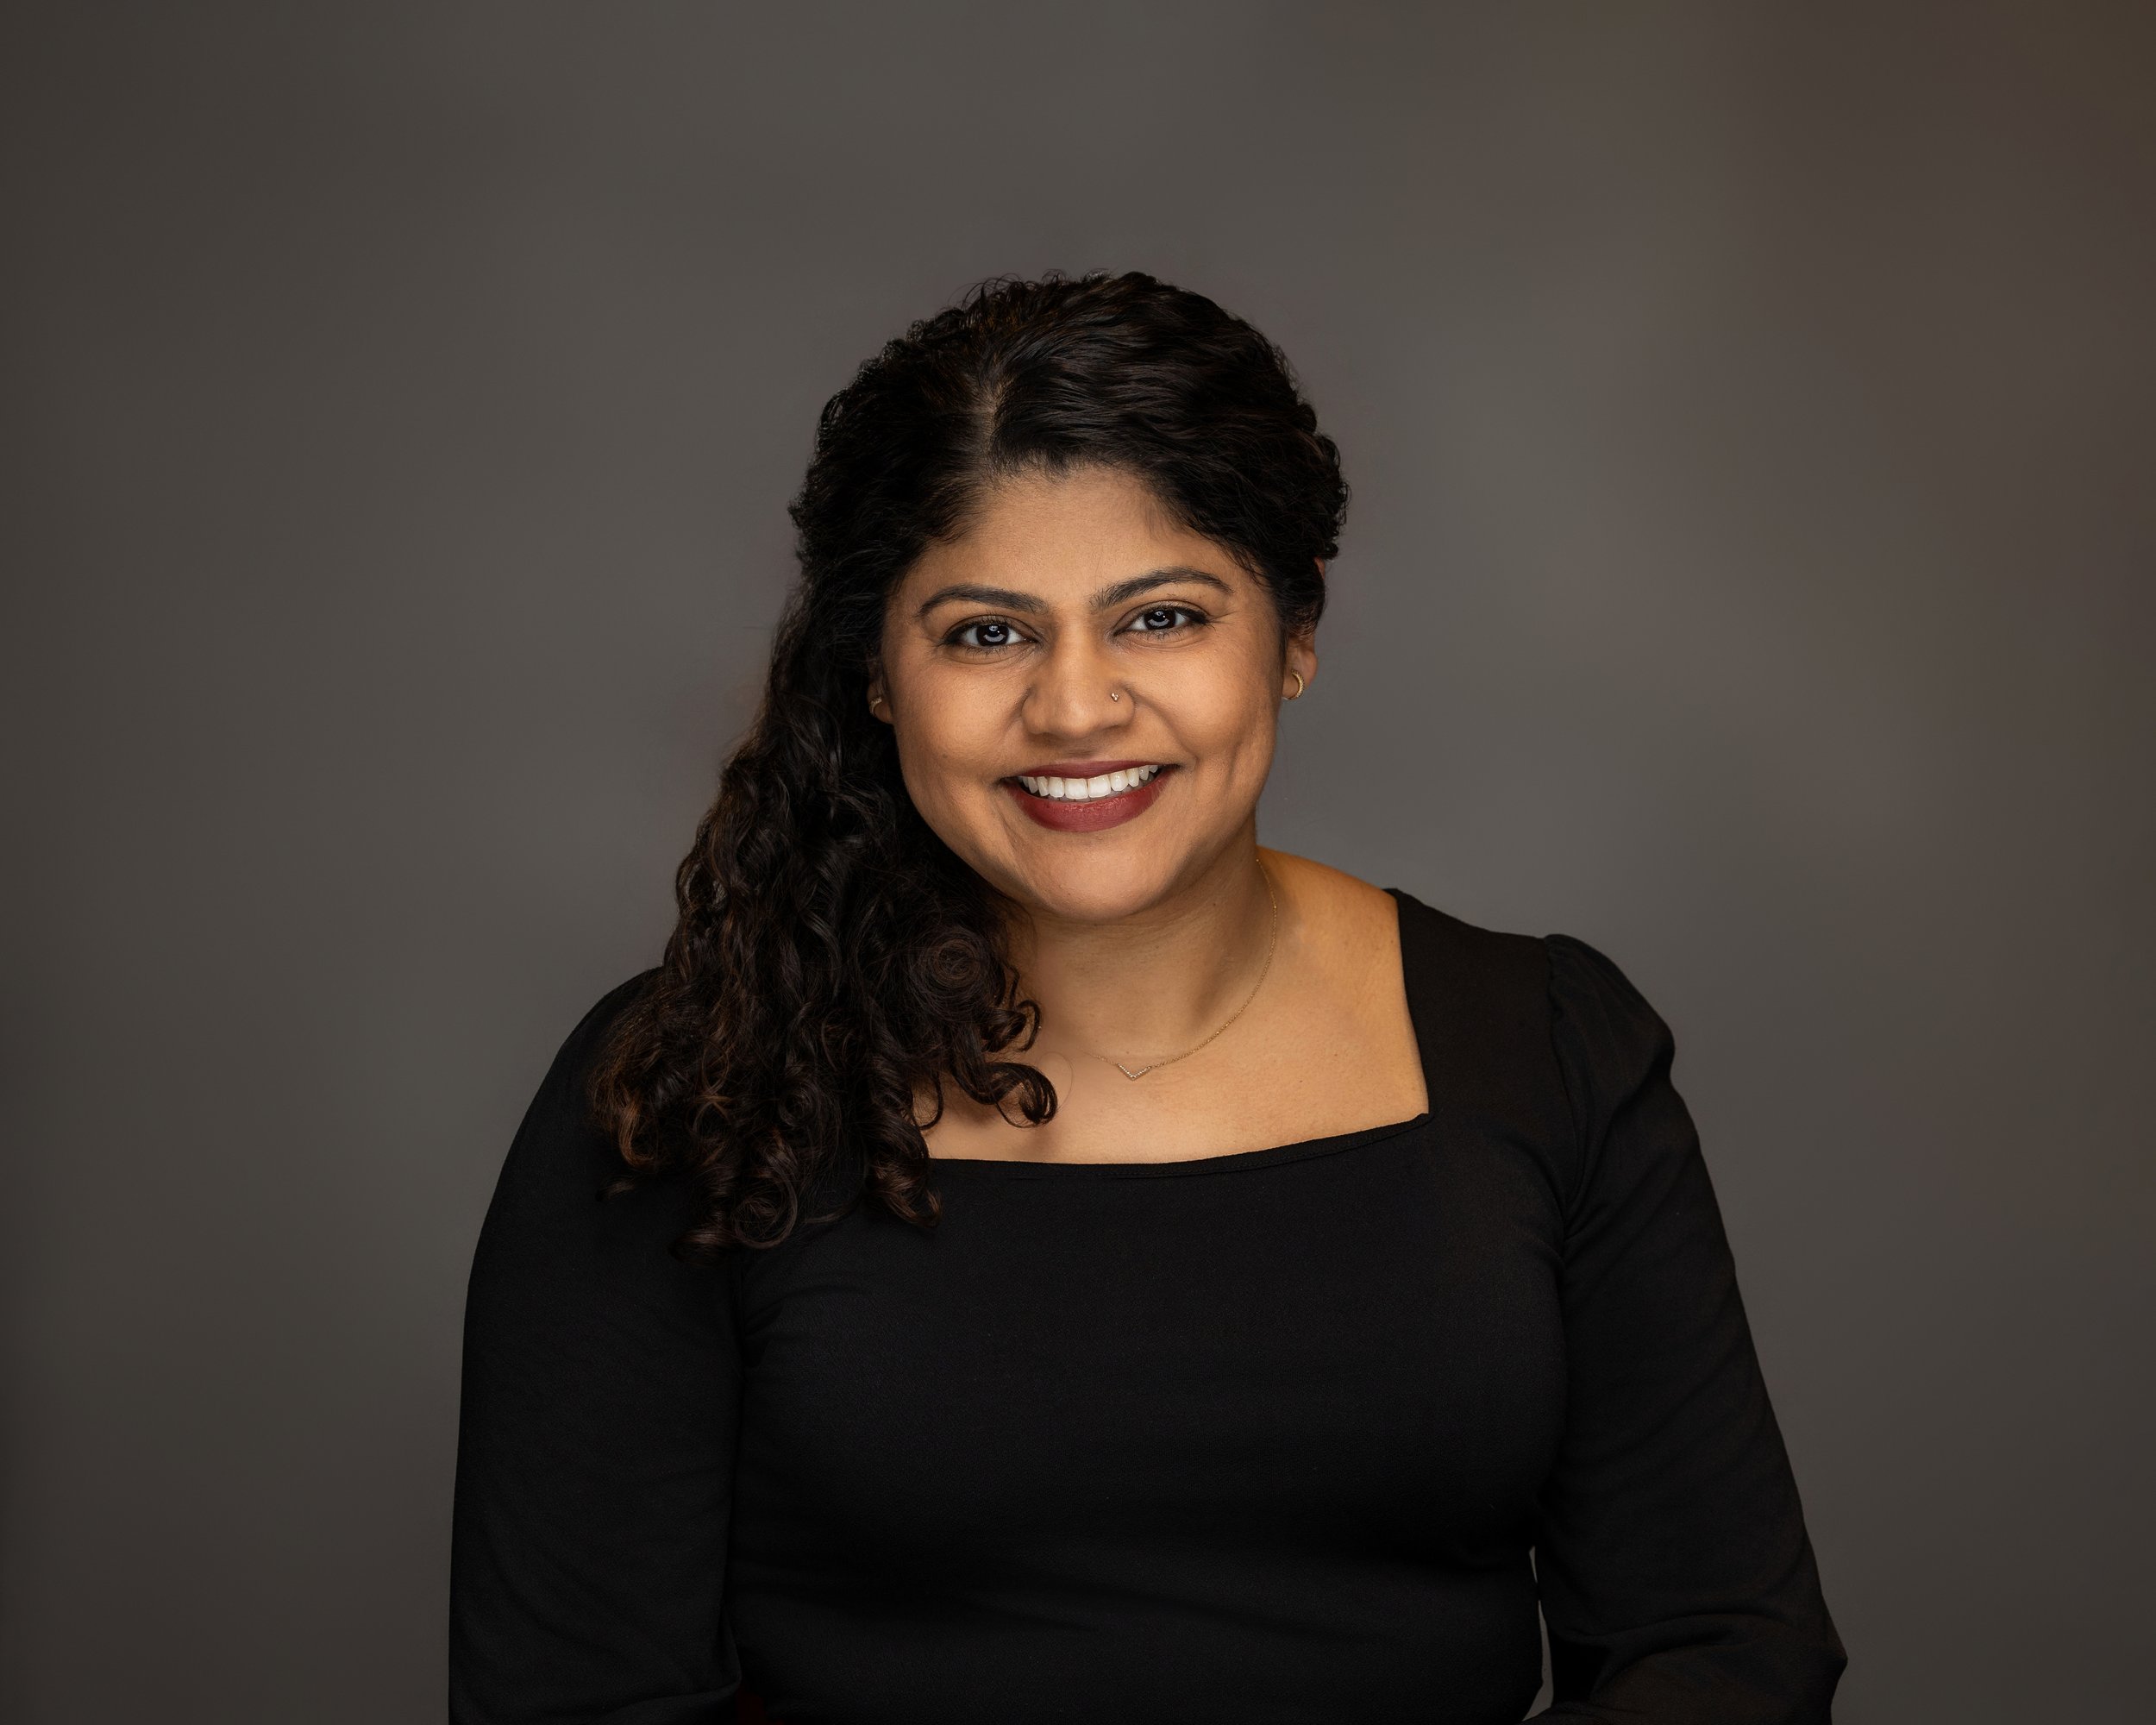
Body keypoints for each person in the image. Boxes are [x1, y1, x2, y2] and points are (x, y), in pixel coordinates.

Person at [448, 271, 1846, 1724]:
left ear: (1294, 637)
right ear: (876, 673)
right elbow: (575, 1702)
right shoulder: (694, 1084)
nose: (1074, 706)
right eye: (987, 632)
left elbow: (1723, 1641)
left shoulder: (1548, 1047)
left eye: (1162, 617)